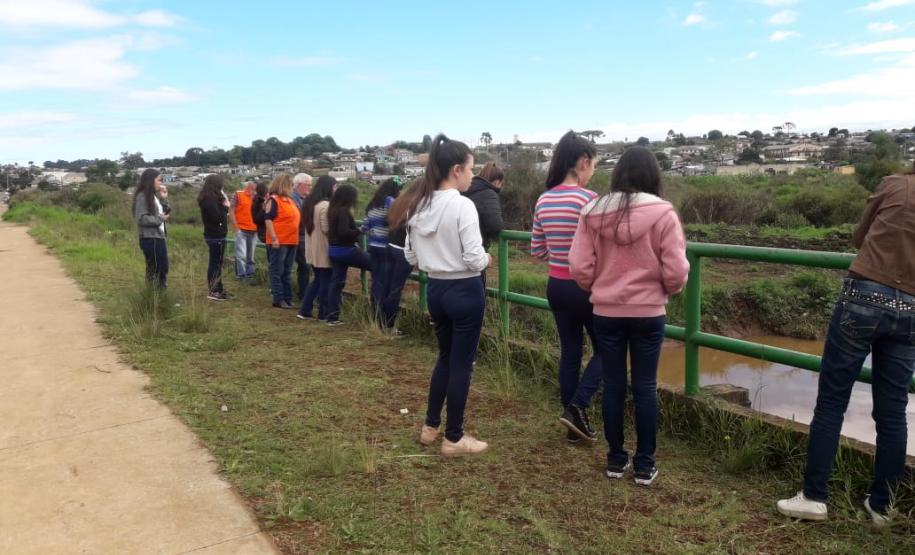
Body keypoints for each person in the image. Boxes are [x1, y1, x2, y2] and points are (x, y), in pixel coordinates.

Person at [777, 166, 915, 526]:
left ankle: (814, 497)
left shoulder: (895, 183)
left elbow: (859, 238)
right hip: (913, 307)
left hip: (865, 295)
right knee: (892, 411)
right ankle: (882, 506)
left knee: (833, 400)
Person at [569, 145, 689, 486]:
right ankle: (645, 465)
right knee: (645, 386)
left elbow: (578, 265)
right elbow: (677, 269)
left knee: (614, 384)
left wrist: (598, 285)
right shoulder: (664, 213)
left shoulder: (592, 211)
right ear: (653, 176)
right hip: (649, 312)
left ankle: (615, 459)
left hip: (606, 311)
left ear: (619, 173)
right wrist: (666, 289)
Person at [406, 134, 491, 457]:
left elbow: (410, 257)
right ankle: (454, 437)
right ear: (456, 169)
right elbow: (473, 257)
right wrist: (486, 259)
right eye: (471, 169)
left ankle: (431, 426)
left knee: (445, 358)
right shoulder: (461, 205)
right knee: (462, 364)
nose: (472, 175)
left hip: (436, 288)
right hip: (465, 289)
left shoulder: (420, 203)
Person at [530, 131, 603, 445]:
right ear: (583, 162)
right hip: (585, 287)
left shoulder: (543, 199)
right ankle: (578, 406)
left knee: (570, 353)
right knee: (608, 350)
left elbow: (537, 250)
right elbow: (602, 248)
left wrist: (558, 255)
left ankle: (573, 423)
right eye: (594, 166)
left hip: (556, 285)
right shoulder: (589, 200)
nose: (594, 172)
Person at [325, 184, 372, 325]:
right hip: (346, 250)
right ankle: (378, 309)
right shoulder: (344, 211)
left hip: (333, 250)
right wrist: (361, 231)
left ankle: (332, 316)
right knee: (378, 266)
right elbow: (344, 232)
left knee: (336, 284)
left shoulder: (332, 210)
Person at [381, 181, 420, 334]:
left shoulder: (398, 201)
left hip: (390, 247)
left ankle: (381, 321)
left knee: (388, 286)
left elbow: (386, 222)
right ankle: (390, 326)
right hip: (403, 251)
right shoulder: (416, 204)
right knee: (396, 289)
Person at [362, 177, 402, 323]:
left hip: (373, 247)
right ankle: (384, 320)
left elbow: (365, 227)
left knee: (376, 282)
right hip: (386, 247)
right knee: (385, 284)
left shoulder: (372, 204)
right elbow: (395, 220)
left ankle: (374, 316)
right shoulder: (390, 201)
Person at [298, 176, 336, 321]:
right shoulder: (325, 206)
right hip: (323, 249)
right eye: (334, 187)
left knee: (317, 280)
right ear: (328, 188)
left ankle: (305, 310)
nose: (335, 190)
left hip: (312, 249)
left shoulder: (309, 203)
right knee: (325, 280)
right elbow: (327, 229)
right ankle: (323, 312)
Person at [264, 173, 300, 309]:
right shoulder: (274, 200)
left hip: (291, 240)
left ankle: (287, 297)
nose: (292, 187)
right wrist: (274, 238)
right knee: (277, 270)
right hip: (279, 241)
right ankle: (278, 298)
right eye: (291, 185)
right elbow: (268, 219)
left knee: (287, 271)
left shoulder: (289, 200)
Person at [134, 168, 169, 288]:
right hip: (150, 238)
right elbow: (142, 219)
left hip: (157, 236)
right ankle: (154, 296)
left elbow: (161, 213)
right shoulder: (142, 197)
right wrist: (160, 219)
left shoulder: (153, 197)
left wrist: (163, 198)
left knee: (162, 268)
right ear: (150, 181)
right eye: (159, 180)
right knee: (156, 269)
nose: (161, 183)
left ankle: (158, 296)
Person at [197, 174, 231, 301]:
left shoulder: (212, 198)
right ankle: (214, 290)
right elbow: (216, 217)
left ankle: (219, 288)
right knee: (215, 263)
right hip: (215, 235)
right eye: (221, 184)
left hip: (218, 234)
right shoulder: (208, 199)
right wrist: (226, 207)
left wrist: (223, 206)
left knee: (218, 263)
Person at [463, 162, 505, 252]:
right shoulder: (489, 194)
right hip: (477, 249)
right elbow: (495, 226)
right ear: (498, 182)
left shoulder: (464, 188)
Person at [292, 173, 313, 300]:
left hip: (304, 237)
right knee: (304, 266)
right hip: (298, 237)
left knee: (305, 267)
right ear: (299, 185)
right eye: (308, 185)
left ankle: (304, 292)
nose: (310, 188)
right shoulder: (293, 199)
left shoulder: (304, 199)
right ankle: (304, 294)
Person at [231, 181, 259, 282]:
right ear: (247, 186)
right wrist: (236, 227)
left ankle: (250, 275)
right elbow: (231, 210)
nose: (253, 191)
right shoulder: (238, 194)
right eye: (252, 188)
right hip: (241, 229)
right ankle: (241, 276)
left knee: (250, 256)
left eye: (255, 189)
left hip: (254, 230)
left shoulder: (258, 198)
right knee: (241, 255)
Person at [252, 181, 270, 281]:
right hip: (265, 233)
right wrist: (263, 209)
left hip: (268, 233)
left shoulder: (269, 200)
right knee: (272, 260)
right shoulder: (256, 203)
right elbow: (256, 220)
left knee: (272, 259)